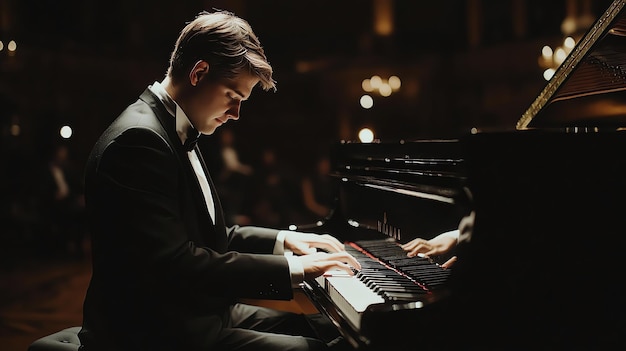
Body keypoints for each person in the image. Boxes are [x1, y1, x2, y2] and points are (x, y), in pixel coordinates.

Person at [78, 10, 360, 351]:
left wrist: (285, 241)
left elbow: (207, 237)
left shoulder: (170, 128)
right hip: (154, 331)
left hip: (197, 314)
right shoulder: (139, 141)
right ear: (199, 73)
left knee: (334, 333)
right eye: (233, 97)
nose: (236, 114)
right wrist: (294, 269)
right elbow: (175, 263)